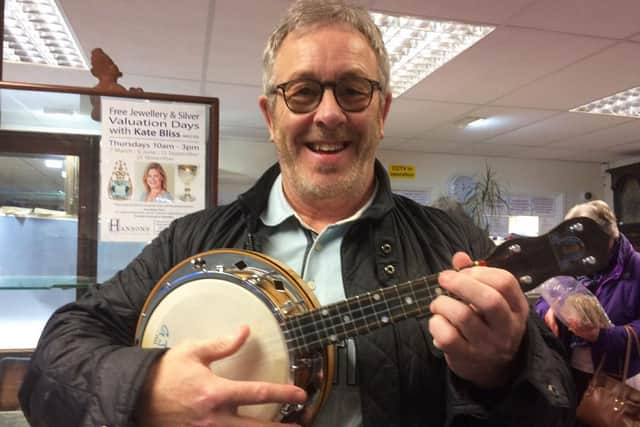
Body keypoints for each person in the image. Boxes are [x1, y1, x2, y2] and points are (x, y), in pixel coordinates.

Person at [19, 1, 575, 426]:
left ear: (381, 112)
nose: (328, 114)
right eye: (303, 92)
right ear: (270, 114)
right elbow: (55, 357)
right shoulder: (191, 240)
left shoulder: (456, 242)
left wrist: (502, 371)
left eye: (353, 91)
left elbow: (556, 403)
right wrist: (146, 391)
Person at [535, 200, 640, 411]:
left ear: (611, 237)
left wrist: (602, 336)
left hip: (619, 378)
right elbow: (543, 300)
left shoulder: (636, 267)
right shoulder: (572, 263)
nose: (584, 255)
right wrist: (549, 311)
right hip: (568, 370)